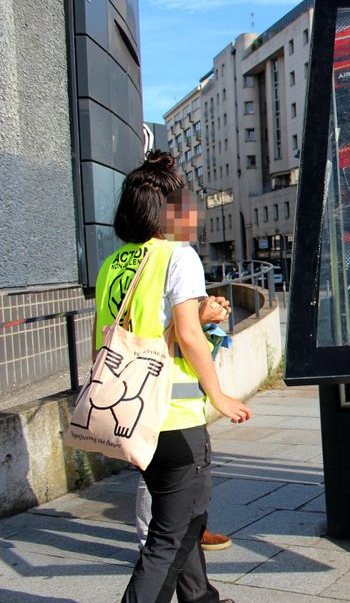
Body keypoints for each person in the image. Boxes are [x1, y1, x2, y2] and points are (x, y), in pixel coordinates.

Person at [93, 150, 251, 603]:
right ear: (168, 212)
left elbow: (107, 338)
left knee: (187, 516)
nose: (195, 213)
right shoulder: (177, 256)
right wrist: (218, 393)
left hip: (129, 411)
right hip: (175, 416)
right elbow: (187, 334)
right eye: (187, 204)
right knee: (170, 532)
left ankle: (201, 598)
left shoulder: (114, 264)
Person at [134, 295, 235, 553]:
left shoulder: (172, 260)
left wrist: (206, 313)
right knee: (157, 475)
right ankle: (152, 544)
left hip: (183, 401)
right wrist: (219, 396)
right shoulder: (164, 261)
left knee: (191, 476)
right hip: (159, 398)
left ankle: (191, 534)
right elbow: (167, 331)